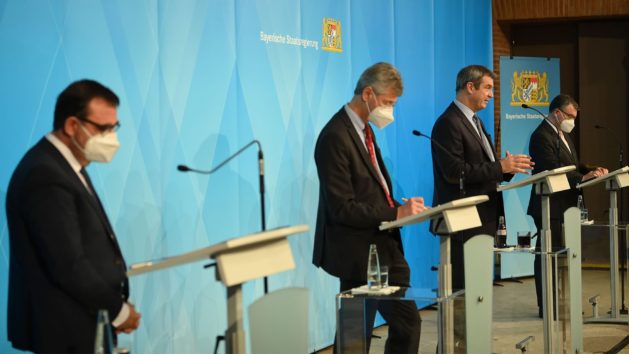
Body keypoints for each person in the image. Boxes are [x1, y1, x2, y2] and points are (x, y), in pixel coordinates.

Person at [6, 79, 141, 353]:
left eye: (114, 128)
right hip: (64, 331)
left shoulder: (65, 166)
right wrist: (118, 311)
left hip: (85, 324)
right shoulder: (45, 174)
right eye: (103, 129)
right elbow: (68, 265)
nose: (112, 138)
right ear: (71, 126)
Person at [313, 62, 427, 354]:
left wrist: (394, 206)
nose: (390, 110)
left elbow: (369, 187)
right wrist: (394, 213)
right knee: (354, 336)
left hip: (382, 247)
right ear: (367, 94)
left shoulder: (365, 130)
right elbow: (342, 207)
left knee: (407, 324)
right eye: (387, 102)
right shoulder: (334, 136)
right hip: (355, 250)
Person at [431, 64, 534, 290]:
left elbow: (484, 167)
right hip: (463, 220)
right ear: (470, 87)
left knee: (477, 290)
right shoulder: (449, 123)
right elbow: (454, 172)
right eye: (487, 88)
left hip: (482, 217)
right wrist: (499, 166)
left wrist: (506, 169)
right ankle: (461, 328)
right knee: (462, 290)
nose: (491, 95)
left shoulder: (476, 121)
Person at [527, 93, 607, 317]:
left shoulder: (562, 134)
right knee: (547, 255)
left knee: (562, 255)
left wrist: (591, 169)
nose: (573, 121)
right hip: (548, 205)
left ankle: (560, 303)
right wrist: (582, 178)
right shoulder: (541, 136)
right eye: (570, 116)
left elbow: (572, 163)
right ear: (557, 113)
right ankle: (547, 306)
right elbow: (552, 169)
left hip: (565, 205)